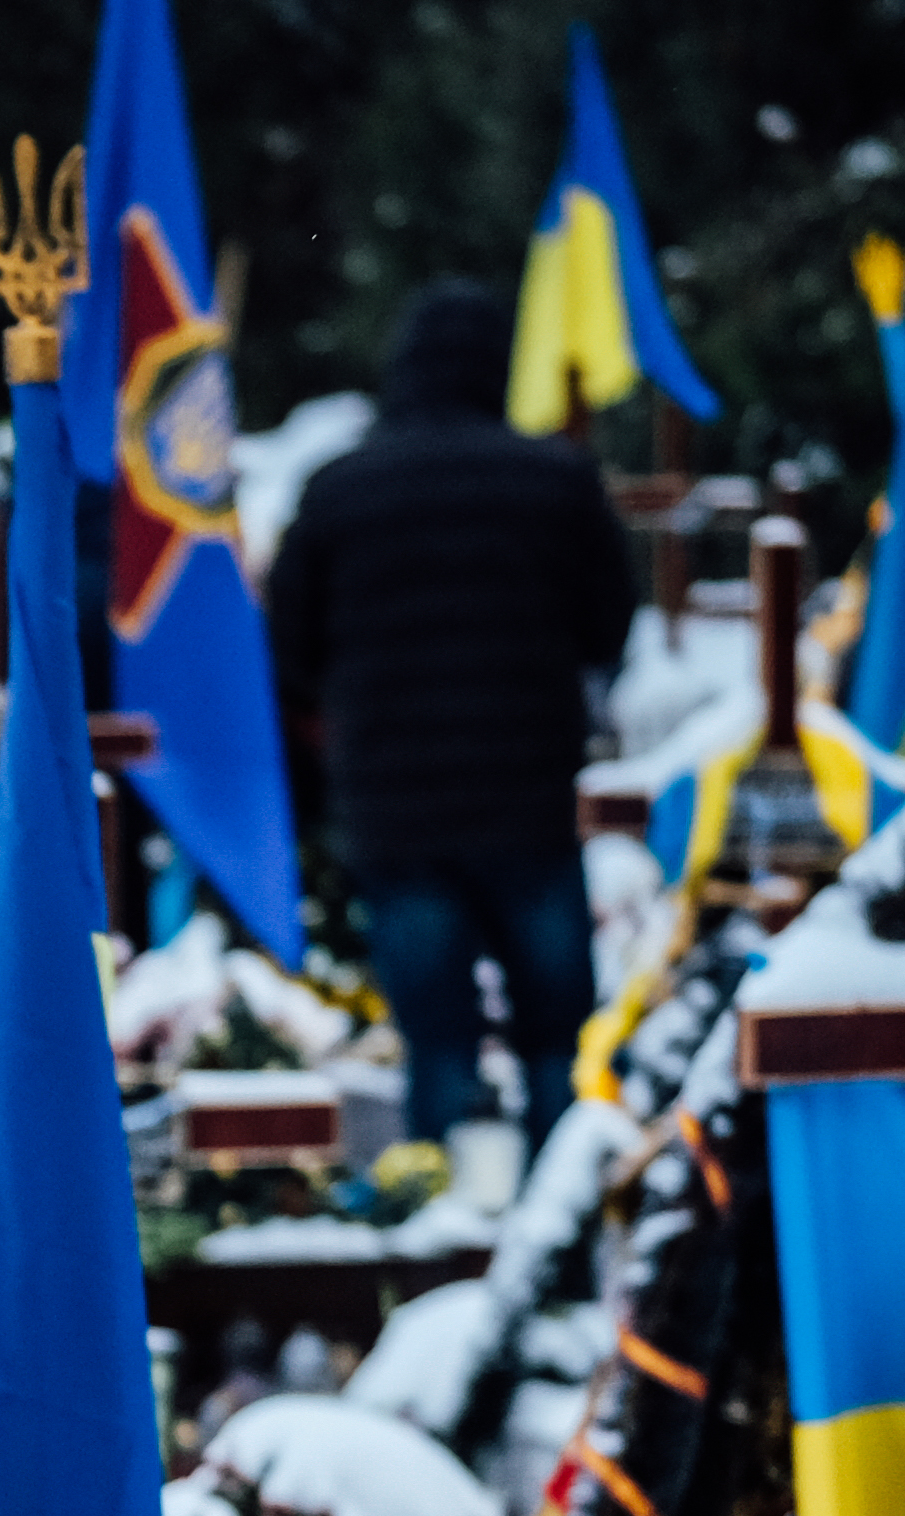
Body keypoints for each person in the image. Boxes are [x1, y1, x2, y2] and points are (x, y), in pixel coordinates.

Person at [264, 279, 643, 1152]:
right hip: (528, 802)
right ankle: (560, 1229)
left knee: (436, 1040)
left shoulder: (337, 490)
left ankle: (437, 1239)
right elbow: (608, 626)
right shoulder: (555, 479)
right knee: (557, 1034)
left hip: (395, 810)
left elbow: (288, 649)